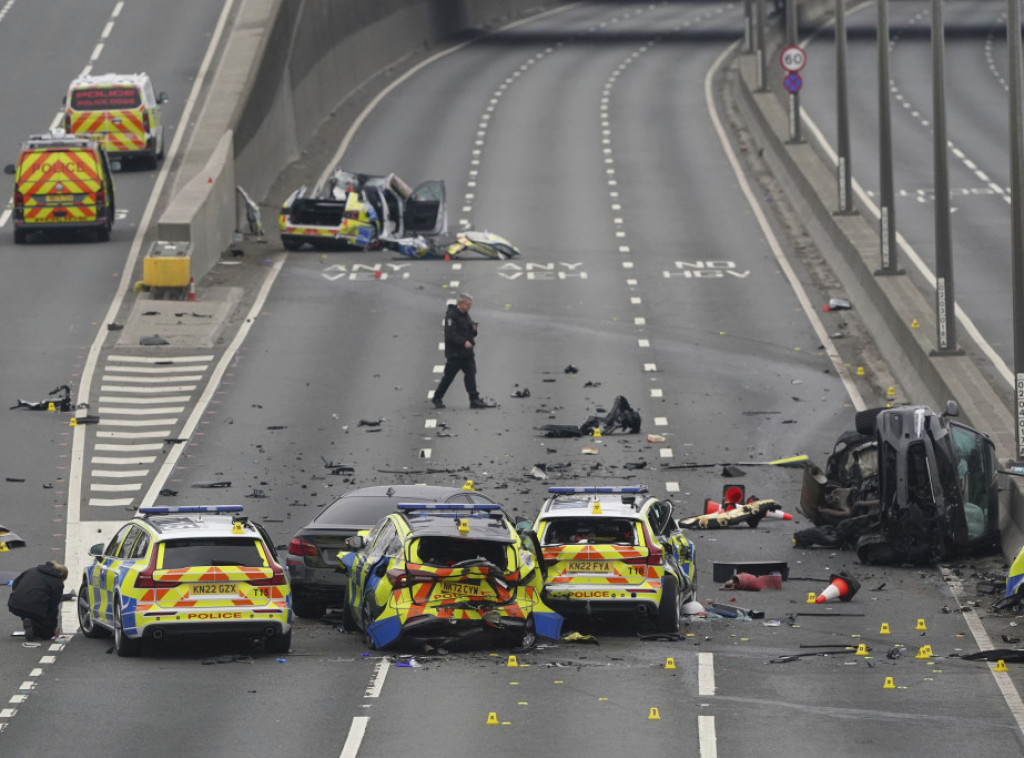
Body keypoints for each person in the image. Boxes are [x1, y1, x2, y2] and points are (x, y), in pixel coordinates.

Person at [432, 293, 491, 409]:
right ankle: (437, 397)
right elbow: (450, 334)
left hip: (467, 353)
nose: (470, 307)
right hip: (455, 353)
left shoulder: (465, 314)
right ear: (462, 304)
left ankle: (474, 399)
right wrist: (463, 342)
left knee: (471, 374)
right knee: (449, 376)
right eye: (469, 304)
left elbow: (469, 330)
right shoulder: (451, 315)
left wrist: (473, 329)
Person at [8, 561, 68, 642]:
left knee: (28, 609)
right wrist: (52, 628)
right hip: (34, 608)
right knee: (46, 634)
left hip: (14, 604)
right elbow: (53, 607)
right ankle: (32, 622)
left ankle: (28, 619)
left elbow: (15, 583)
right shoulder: (57, 583)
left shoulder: (32, 570)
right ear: (62, 576)